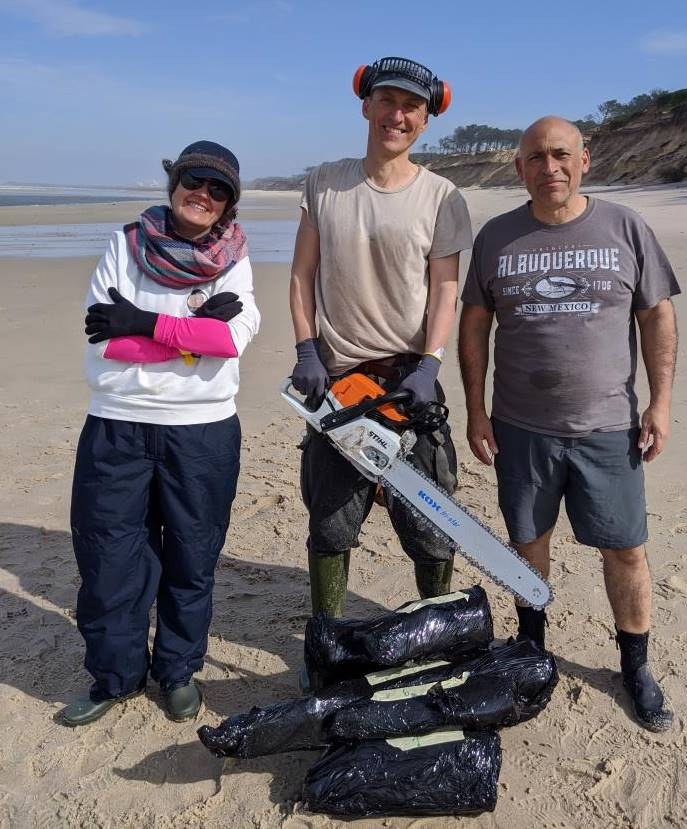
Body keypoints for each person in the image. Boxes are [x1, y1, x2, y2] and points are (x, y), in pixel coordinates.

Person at [458, 116, 680, 732]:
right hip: (521, 426)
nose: (549, 167)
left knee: (627, 550)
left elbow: (656, 316)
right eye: (535, 157)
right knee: (527, 545)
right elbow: (475, 324)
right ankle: (531, 646)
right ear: (518, 166)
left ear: (585, 158)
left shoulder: (625, 227)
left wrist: (659, 403)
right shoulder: (498, 237)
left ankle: (635, 665)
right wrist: (476, 408)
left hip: (608, 427)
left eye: (561, 155)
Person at [61, 141, 260, 726]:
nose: (203, 194)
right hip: (116, 426)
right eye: (193, 180)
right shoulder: (124, 244)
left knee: (192, 557)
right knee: (108, 558)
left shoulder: (236, 259)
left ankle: (177, 672)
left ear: (229, 205)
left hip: (201, 432)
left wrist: (144, 322)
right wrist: (189, 331)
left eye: (218, 190)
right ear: (173, 182)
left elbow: (227, 341)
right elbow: (107, 337)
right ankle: (115, 677)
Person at [289, 57, 472, 628]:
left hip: (409, 382)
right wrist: (306, 349)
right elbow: (301, 276)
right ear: (366, 104)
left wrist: (429, 364)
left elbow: (446, 290)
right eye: (387, 101)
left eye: (411, 106)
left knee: (430, 523)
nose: (397, 115)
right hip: (338, 380)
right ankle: (325, 634)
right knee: (331, 520)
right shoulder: (325, 182)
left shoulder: (443, 196)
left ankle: (435, 627)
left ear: (427, 117)